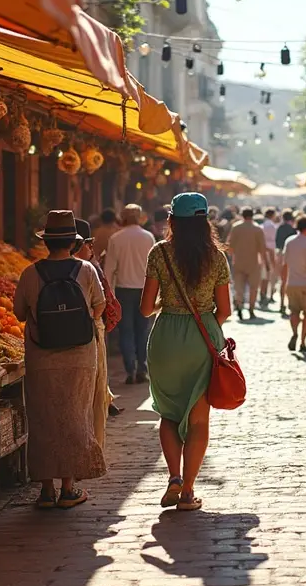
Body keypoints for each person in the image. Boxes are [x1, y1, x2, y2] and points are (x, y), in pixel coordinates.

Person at [140, 193, 232, 512]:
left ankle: (174, 478)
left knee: (168, 412)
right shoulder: (217, 258)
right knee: (198, 420)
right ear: (205, 222)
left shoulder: (159, 253)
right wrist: (204, 322)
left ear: (172, 221)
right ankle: (189, 492)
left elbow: (145, 308)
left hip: (165, 337)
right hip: (202, 337)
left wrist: (171, 307)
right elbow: (226, 310)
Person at [13, 210, 106, 509]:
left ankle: (45, 491)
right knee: (75, 417)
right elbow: (100, 306)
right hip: (80, 356)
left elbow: (18, 313)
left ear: (47, 242)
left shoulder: (30, 273)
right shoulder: (86, 270)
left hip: (41, 357)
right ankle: (69, 488)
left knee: (43, 419)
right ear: (73, 242)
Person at [73, 219, 123, 442]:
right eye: (89, 244)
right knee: (95, 391)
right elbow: (102, 305)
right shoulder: (87, 268)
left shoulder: (35, 270)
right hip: (90, 333)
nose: (91, 248)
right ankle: (95, 444)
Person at [104, 204, 156, 385]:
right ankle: (142, 368)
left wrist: (108, 294)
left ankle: (130, 370)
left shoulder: (116, 238)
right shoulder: (148, 237)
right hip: (144, 289)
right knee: (142, 330)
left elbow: (109, 269)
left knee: (126, 331)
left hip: (123, 290)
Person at [281, 215, 306, 353]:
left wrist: (284, 282)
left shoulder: (289, 241)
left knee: (294, 311)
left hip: (292, 282)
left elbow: (285, 263)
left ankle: (294, 333)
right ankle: (303, 341)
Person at [227, 206, 267, 321]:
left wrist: (231, 257)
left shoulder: (236, 227)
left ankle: (239, 306)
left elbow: (230, 246)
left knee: (239, 287)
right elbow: (262, 249)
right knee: (253, 288)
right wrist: (265, 263)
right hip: (254, 262)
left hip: (238, 261)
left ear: (242, 215)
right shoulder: (257, 229)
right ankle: (251, 309)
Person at [275, 209, 297, 315]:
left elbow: (277, 242)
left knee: (283, 281)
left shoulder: (280, 228)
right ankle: (290, 302)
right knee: (291, 280)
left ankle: (282, 303)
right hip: (291, 255)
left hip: (280, 254)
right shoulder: (293, 230)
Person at [260, 208, 278, 306]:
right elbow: (270, 242)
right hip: (268, 252)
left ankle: (263, 295)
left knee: (264, 275)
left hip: (263, 251)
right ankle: (264, 295)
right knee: (267, 275)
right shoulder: (271, 226)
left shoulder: (263, 225)